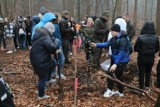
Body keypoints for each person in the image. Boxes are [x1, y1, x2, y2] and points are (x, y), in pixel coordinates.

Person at [91, 24, 130, 98]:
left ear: (117, 31)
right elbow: (107, 43)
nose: (111, 32)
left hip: (121, 61)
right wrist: (96, 45)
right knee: (119, 76)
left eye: (112, 31)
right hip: (115, 59)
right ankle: (121, 92)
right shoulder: (114, 38)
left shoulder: (123, 39)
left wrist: (115, 64)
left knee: (111, 74)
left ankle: (109, 90)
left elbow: (121, 53)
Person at [30, 22, 59, 100]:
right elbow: (52, 48)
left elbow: (48, 48)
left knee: (53, 62)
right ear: (50, 30)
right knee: (42, 78)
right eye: (53, 32)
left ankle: (48, 80)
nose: (53, 34)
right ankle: (41, 95)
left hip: (37, 59)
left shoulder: (42, 35)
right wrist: (57, 41)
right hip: (40, 61)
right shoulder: (45, 37)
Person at [134, 22, 159, 91]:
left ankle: (141, 88)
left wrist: (141, 51)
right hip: (151, 58)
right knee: (148, 72)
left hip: (142, 57)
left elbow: (135, 48)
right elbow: (157, 49)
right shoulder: (156, 38)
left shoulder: (140, 37)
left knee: (141, 73)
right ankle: (147, 87)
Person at [52, 12, 66, 80]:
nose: (60, 18)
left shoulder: (57, 25)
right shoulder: (54, 26)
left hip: (58, 44)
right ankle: (58, 73)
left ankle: (55, 73)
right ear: (56, 18)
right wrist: (57, 47)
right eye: (59, 17)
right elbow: (55, 37)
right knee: (62, 59)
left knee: (55, 60)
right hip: (57, 45)